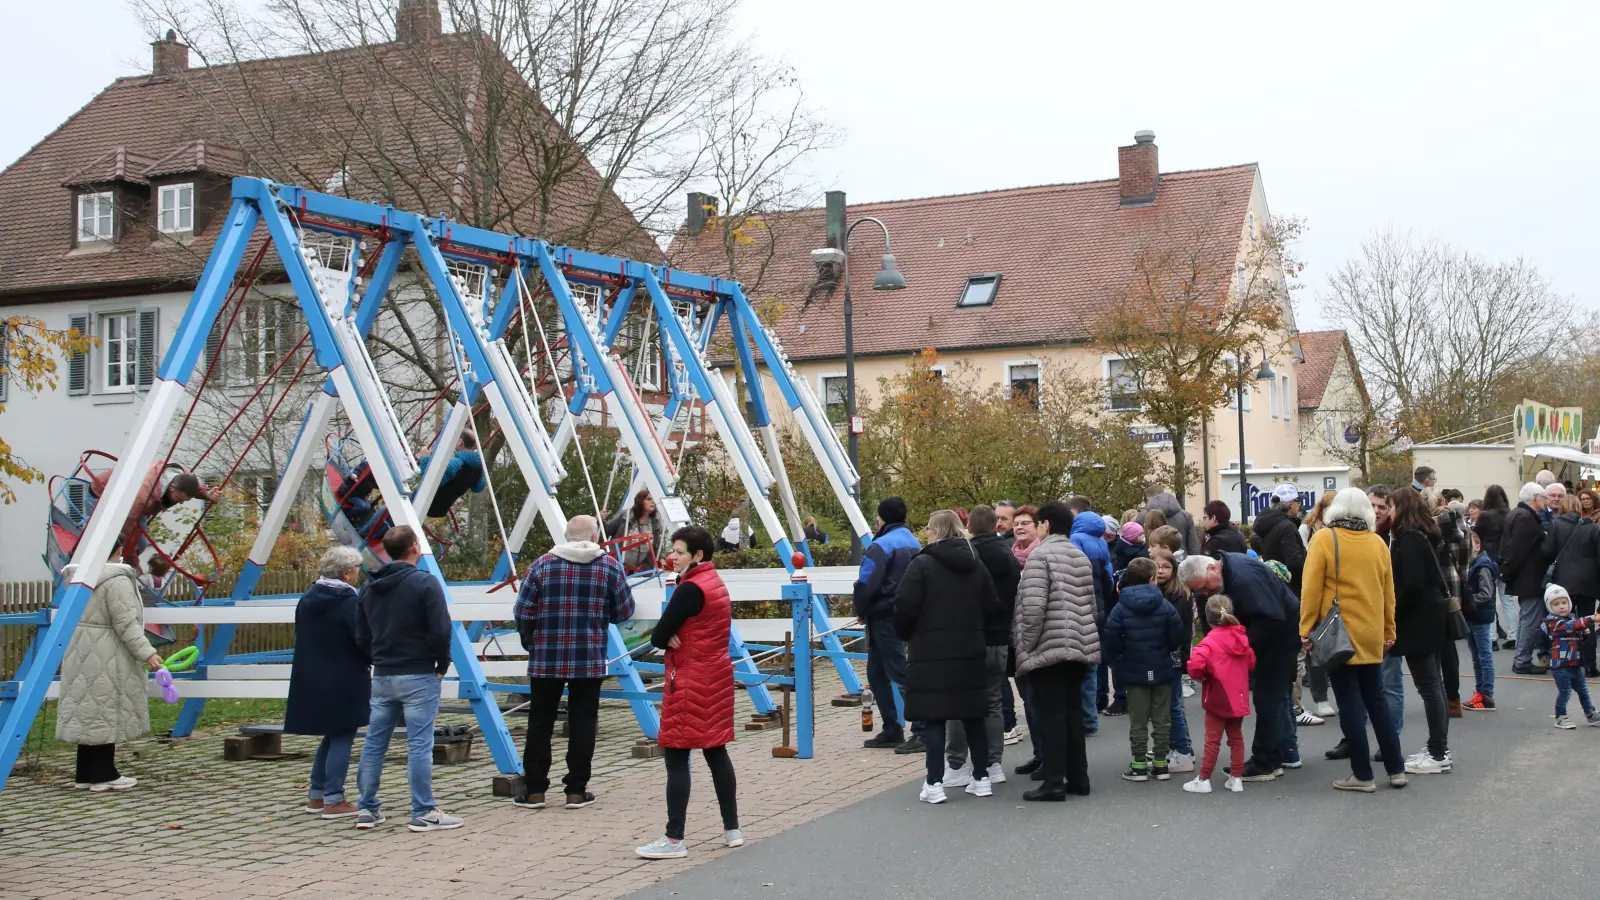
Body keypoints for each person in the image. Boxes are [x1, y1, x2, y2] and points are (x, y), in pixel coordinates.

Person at [513, 515, 635, 811]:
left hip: (546, 658)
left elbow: (523, 611)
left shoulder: (542, 565)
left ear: (566, 536)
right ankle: (576, 790)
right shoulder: (608, 566)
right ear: (594, 537)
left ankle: (535, 791)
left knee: (540, 722)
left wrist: (531, 642)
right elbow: (624, 611)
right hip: (589, 656)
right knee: (583, 722)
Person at [635, 526, 742, 859]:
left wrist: (668, 635)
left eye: (680, 552)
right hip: (717, 673)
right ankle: (732, 829)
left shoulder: (689, 589)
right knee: (716, 751)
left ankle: (674, 838)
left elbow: (658, 635)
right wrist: (672, 633)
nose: (673, 556)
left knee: (677, 753)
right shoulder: (716, 583)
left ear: (698, 556)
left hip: (689, 677)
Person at [1297, 488, 1407, 791]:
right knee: (1377, 701)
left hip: (1338, 634)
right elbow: (1388, 593)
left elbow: (1311, 589)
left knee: (1350, 705)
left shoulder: (1324, 539)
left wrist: (1306, 628)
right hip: (1371, 631)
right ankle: (1396, 768)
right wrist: (1389, 630)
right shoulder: (1377, 543)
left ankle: (1362, 774)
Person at [353, 526, 461, 832]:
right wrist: (442, 664)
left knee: (375, 743)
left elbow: (360, 634)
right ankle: (423, 809)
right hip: (418, 672)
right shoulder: (425, 584)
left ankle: (367, 807)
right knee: (418, 744)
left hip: (384, 673)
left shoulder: (370, 588)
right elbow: (441, 629)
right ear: (414, 547)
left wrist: (375, 659)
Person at [894, 511, 998, 804]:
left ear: (936, 531)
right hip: (970, 647)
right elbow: (992, 605)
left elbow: (903, 606)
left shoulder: (923, 565)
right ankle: (981, 778)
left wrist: (908, 633)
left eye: (927, 528)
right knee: (973, 714)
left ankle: (934, 782)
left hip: (930, 651)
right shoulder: (977, 564)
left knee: (935, 717)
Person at [1178, 551, 1300, 781]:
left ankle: (1265, 762)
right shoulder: (1232, 570)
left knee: (1268, 699)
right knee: (1273, 698)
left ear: (1213, 569)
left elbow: (1272, 619)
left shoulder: (1243, 581)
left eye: (1204, 587)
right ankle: (1275, 757)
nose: (1205, 593)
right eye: (1199, 591)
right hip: (1277, 634)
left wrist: (1238, 643)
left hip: (1280, 639)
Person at [1014, 500, 1101, 801]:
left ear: (1046, 525)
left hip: (1049, 647)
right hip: (1078, 644)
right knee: (1072, 714)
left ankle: (1053, 782)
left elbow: (1034, 608)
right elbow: (1091, 604)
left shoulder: (1040, 556)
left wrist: (1027, 643)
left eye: (1037, 523)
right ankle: (1079, 778)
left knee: (1050, 716)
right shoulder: (1080, 556)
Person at [57, 555, 164, 792]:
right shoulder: (116, 580)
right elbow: (126, 623)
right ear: (117, 550)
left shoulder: (76, 577)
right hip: (108, 651)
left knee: (88, 711)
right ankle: (104, 773)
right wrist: (147, 653)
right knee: (107, 710)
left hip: (80, 649)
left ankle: (84, 772)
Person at [286, 546, 369, 819]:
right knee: (343, 735)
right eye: (356, 568)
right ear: (346, 573)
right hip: (343, 676)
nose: (359, 573)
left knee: (331, 735)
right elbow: (361, 637)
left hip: (312, 675)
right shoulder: (347, 601)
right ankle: (334, 799)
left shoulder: (308, 597)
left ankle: (316, 795)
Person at [942, 505, 1020, 788]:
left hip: (968, 637)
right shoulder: (1008, 556)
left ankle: (956, 763)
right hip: (998, 637)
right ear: (995, 526)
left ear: (970, 528)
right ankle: (993, 763)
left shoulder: (967, 556)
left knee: (959, 701)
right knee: (993, 701)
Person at [1388, 487, 1452, 776]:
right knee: (1433, 685)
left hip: (1418, 621)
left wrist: (1393, 610)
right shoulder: (1424, 533)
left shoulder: (1409, 538)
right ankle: (1439, 748)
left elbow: (1412, 583)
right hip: (1430, 616)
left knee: (1428, 686)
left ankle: (1438, 752)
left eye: (1390, 506)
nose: (1387, 512)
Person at [1103, 558, 1183, 782]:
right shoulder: (1164, 605)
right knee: (1162, 718)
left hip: (1134, 669)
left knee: (1137, 719)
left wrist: (1119, 659)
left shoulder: (1120, 607)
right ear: (1152, 579)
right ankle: (1160, 763)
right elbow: (1177, 634)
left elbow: (1110, 638)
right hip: (1161, 666)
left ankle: (1138, 764)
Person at [854, 497, 923, 753]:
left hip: (883, 615)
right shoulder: (913, 540)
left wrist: (860, 609)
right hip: (905, 613)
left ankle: (921, 728)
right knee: (877, 672)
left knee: (897, 673)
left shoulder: (880, 545)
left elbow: (865, 582)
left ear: (882, 518)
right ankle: (893, 728)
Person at [1183, 594, 1254, 793]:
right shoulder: (1242, 638)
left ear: (1207, 618)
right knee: (1236, 738)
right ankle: (1236, 777)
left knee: (1212, 740)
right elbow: (1250, 663)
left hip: (1217, 694)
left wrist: (1202, 676)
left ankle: (1204, 778)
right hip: (1237, 695)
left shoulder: (1208, 642)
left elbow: (1195, 665)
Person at [100, 463, 223, 569]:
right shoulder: (144, 496)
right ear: (172, 487)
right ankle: (108, 568)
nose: (179, 503)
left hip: (135, 507)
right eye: (178, 499)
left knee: (141, 544)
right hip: (102, 495)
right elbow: (127, 532)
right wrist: (134, 564)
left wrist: (206, 494)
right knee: (105, 539)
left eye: (183, 501)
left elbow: (190, 488)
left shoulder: (182, 475)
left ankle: (120, 565)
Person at [1068, 498, 1116, 721]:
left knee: (1084, 659)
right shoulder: (1101, 543)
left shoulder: (1075, 540)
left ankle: (1088, 708)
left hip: (1082, 606)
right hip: (1100, 605)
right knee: (1099, 654)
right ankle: (1102, 695)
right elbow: (1108, 576)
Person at [1151, 547, 1196, 773]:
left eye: (1166, 567)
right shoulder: (1155, 590)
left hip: (1172, 656)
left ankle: (1183, 751)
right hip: (1163, 654)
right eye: (1157, 566)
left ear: (1174, 569)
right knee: (1168, 705)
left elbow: (1178, 631)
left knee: (1173, 706)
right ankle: (1179, 747)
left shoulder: (1178, 594)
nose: (1160, 571)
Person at [1544, 493, 1600, 676]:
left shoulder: (1556, 525)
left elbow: (1547, 550)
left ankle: (1563, 659)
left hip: (1563, 581)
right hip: (1588, 581)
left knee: (1562, 621)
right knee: (1587, 621)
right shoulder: (1592, 527)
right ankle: (1590, 664)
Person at [1502, 482, 1552, 674]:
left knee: (1527, 618)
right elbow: (1517, 549)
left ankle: (1521, 658)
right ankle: (1522, 660)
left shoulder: (1518, 514)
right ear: (1536, 497)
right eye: (1544, 497)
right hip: (1529, 577)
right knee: (1530, 619)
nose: (1546, 501)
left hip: (1524, 576)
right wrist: (1508, 572)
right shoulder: (1525, 517)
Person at [1541, 584, 1600, 729]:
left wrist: (1584, 634)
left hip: (1574, 662)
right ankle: (1560, 717)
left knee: (1583, 690)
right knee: (1565, 691)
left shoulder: (1570, 618)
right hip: (1560, 665)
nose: (1561, 606)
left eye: (1564, 602)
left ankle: (1590, 714)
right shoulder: (1553, 622)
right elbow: (1571, 627)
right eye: (1556, 604)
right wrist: (1592, 618)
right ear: (1550, 607)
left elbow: (1576, 633)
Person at [1462, 530, 1499, 711]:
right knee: (1477, 658)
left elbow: (1486, 593)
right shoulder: (1471, 564)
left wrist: (1466, 601)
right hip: (1472, 615)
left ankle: (1487, 695)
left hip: (1480, 616)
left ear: (1477, 547)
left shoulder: (1482, 566)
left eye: (1469, 545)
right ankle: (1480, 691)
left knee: (1484, 657)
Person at [1474, 484, 1512, 646]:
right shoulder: (1510, 515)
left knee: (1489, 598)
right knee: (1508, 600)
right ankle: (1514, 635)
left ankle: (1492, 637)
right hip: (1505, 559)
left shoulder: (1484, 516)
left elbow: (1476, 534)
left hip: (1488, 559)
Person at [1253, 485, 1308, 595]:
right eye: (1298, 501)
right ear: (1290, 503)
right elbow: (1295, 562)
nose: (1299, 505)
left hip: (1275, 585)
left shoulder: (1268, 524)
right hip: (1292, 589)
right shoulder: (1287, 527)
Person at [417, 432, 486, 518]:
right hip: (440, 510)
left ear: (460, 442)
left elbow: (428, 484)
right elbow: (478, 488)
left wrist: (424, 458)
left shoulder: (456, 463)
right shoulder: (477, 467)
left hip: (424, 504)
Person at [604, 490, 670, 572]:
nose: (653, 502)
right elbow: (606, 530)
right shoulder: (625, 515)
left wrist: (661, 557)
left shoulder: (654, 521)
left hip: (640, 569)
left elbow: (657, 544)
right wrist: (599, 520)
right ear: (640, 501)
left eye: (653, 499)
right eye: (649, 499)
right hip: (618, 565)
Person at [1145, 484, 1202, 555]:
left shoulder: (1144, 516)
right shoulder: (1185, 516)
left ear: (1149, 497)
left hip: (1155, 562)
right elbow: (1193, 544)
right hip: (1182, 560)